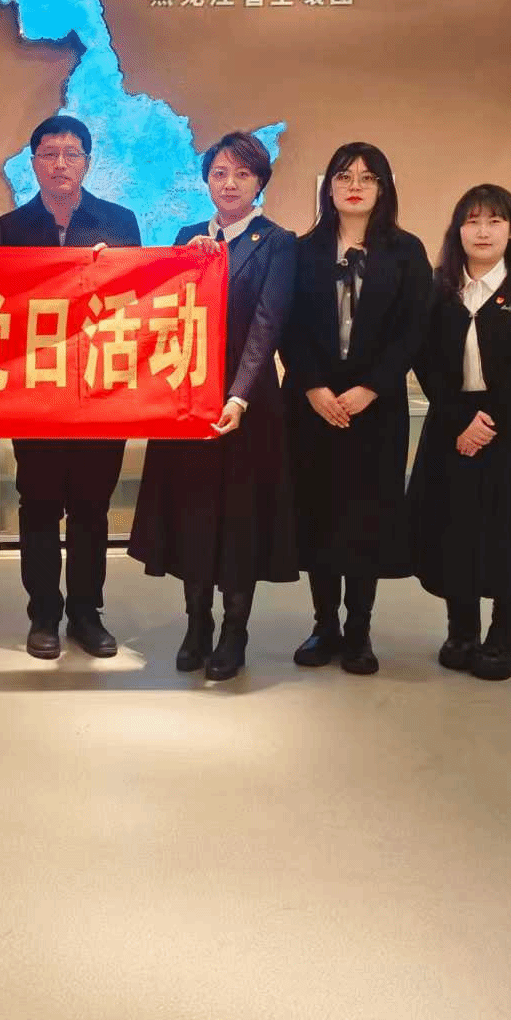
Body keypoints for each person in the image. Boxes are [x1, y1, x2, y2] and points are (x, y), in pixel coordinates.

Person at [128, 131, 297, 680]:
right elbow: (158, 309)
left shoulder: (277, 242)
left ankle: (234, 631)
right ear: (206, 180)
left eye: (242, 174)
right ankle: (196, 624)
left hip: (247, 408)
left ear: (259, 183)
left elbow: (267, 325)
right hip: (187, 403)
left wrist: (239, 395)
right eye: (220, 173)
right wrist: (182, 266)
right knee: (193, 516)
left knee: (239, 521)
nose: (229, 184)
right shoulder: (187, 237)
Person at [281, 143, 430, 675]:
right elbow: (287, 325)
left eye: (368, 178)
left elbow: (414, 328)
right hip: (312, 405)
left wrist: (372, 387)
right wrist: (312, 387)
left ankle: (360, 629)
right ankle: (324, 625)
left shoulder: (406, 252)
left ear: (383, 188)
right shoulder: (302, 250)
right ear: (329, 187)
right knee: (319, 513)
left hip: (376, 408)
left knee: (366, 517)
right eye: (344, 176)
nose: (355, 186)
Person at [407, 184, 511, 681]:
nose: (482, 231)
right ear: (458, 229)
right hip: (451, 421)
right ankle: (461, 631)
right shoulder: (438, 289)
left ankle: (505, 637)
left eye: (495, 221)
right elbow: (425, 360)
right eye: (472, 220)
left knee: (510, 533)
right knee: (456, 529)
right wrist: (461, 420)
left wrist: (486, 422)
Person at [0, 115, 142, 660]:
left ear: (87, 161)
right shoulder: (8, 229)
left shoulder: (120, 222)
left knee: (91, 506)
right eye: (50, 153)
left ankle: (86, 612)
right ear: (33, 162)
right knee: (37, 504)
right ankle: (43, 613)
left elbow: (140, 301)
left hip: (100, 391)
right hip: (35, 392)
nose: (61, 163)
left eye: (72, 153)